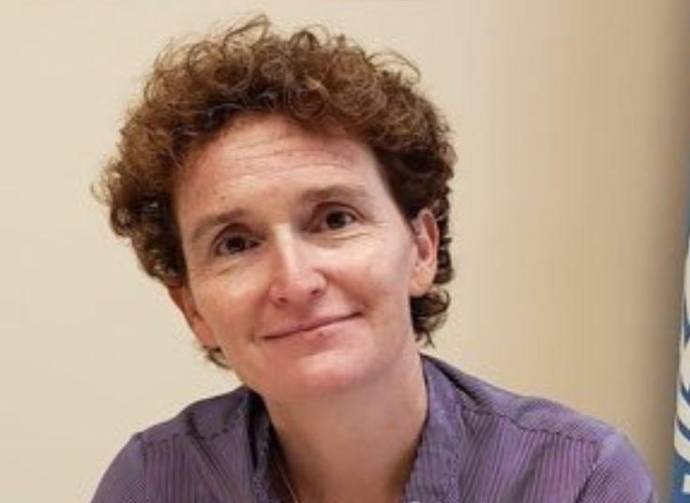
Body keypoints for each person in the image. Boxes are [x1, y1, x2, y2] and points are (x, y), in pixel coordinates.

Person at [92, 15, 655, 503]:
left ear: (421, 248)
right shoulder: (155, 483)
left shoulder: (575, 478)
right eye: (235, 244)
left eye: (335, 219)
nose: (295, 280)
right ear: (192, 307)